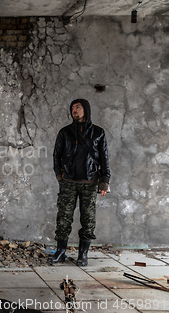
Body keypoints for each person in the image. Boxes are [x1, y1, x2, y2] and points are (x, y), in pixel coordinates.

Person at [49, 99, 110, 266]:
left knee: (88, 219)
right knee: (63, 218)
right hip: (68, 182)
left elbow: (104, 157)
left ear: (86, 110)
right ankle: (60, 252)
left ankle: (83, 254)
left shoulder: (98, 132)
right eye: (72, 108)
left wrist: (105, 180)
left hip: (90, 183)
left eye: (78, 107)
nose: (74, 110)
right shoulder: (65, 132)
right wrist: (59, 176)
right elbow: (56, 156)